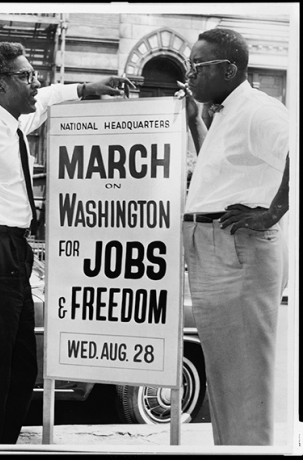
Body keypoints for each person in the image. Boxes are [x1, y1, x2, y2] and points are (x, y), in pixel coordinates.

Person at [0, 41, 134, 444]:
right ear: (0, 84)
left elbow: (47, 99)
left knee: (17, 370)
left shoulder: (12, 123)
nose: (36, 83)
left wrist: (85, 89)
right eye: (26, 76)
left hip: (13, 252)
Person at [176, 28, 289, 445]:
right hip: (216, 251)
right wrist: (193, 123)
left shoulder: (260, 110)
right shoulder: (224, 112)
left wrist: (273, 212)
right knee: (226, 383)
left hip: (237, 252)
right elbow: (224, 171)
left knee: (244, 386)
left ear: (228, 69)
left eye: (198, 67)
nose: (189, 76)